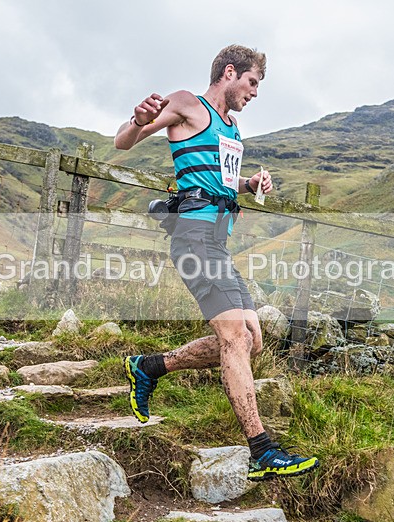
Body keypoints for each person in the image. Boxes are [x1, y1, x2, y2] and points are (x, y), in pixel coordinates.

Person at [114, 44, 319, 481]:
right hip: (193, 238)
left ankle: (149, 367)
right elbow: (123, 141)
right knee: (233, 336)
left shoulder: (232, 129)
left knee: (251, 339)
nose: (255, 93)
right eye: (253, 82)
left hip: (217, 245)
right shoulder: (189, 104)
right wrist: (137, 119)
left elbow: (221, 180)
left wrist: (250, 183)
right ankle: (262, 450)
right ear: (231, 73)